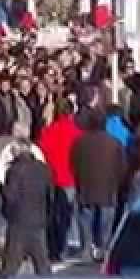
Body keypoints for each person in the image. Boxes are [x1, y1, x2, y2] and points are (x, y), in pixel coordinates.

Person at [71, 91, 125, 262]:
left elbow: (73, 162)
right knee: (106, 222)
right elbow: (122, 166)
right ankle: (104, 249)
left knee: (86, 219)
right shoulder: (114, 142)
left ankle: (86, 249)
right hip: (108, 188)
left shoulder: (80, 141)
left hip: (86, 187)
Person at [0, 139, 53, 278]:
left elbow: (10, 197)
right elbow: (50, 195)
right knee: (42, 265)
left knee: (10, 266)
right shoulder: (43, 169)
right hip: (38, 222)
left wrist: (7, 213)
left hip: (19, 223)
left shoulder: (14, 171)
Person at [36, 100, 82, 263]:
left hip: (50, 177)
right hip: (69, 177)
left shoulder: (48, 131)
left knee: (52, 212)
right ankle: (71, 242)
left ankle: (53, 244)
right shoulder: (76, 132)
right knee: (70, 212)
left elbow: (41, 153)